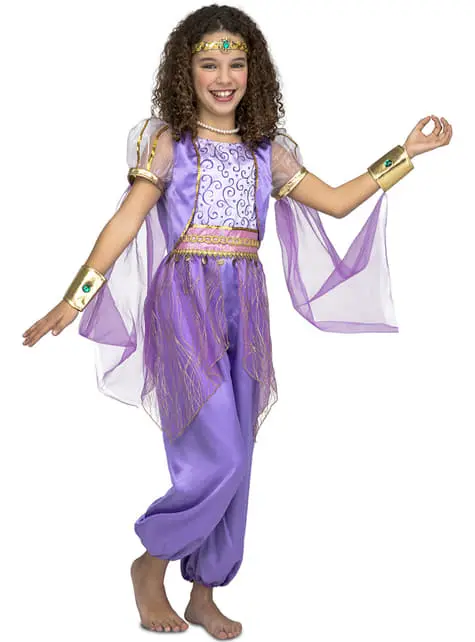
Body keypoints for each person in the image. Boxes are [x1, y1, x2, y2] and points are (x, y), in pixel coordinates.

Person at [21, 4, 452, 639]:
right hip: (182, 305)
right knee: (216, 454)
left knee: (240, 455)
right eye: (208, 64)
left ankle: (204, 592)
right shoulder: (170, 143)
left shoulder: (266, 151)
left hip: (245, 306)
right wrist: (77, 296)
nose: (224, 77)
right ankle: (151, 562)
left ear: (254, 71)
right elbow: (127, 220)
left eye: (236, 64)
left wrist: (405, 153)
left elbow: (336, 202)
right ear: (185, 72)